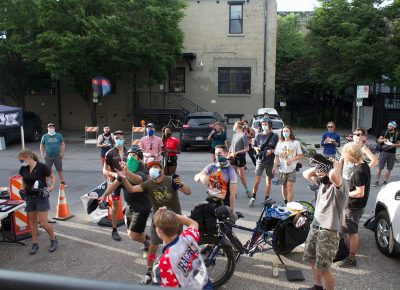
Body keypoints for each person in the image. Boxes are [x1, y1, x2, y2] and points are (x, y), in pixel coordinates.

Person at [112, 158, 192, 284]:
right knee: (153, 246)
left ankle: (175, 271)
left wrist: (180, 184)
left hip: (175, 220)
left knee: (173, 247)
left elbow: (188, 192)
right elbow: (132, 189)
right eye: (150, 168)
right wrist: (124, 177)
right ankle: (149, 271)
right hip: (158, 220)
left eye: (156, 167)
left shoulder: (171, 180)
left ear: (162, 170)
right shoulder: (148, 184)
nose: (153, 169)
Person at [301, 154, 348, 290]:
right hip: (316, 226)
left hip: (329, 231)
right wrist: (320, 163)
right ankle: (317, 287)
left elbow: (333, 175)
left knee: (324, 268)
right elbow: (305, 174)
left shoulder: (340, 185)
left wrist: (336, 165)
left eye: (322, 174)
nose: (320, 176)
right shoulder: (323, 184)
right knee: (312, 259)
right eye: (319, 174)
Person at [101, 146, 151, 258]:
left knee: (133, 235)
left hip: (142, 207)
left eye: (134, 155)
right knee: (131, 233)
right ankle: (145, 239)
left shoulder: (143, 169)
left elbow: (137, 180)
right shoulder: (124, 170)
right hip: (129, 207)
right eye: (129, 155)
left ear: (139, 159)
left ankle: (147, 243)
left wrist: (126, 173)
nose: (130, 157)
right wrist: (104, 195)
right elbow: (114, 185)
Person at [152, 208, 212, 289]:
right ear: (177, 226)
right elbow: (194, 223)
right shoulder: (189, 237)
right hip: (205, 285)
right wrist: (172, 215)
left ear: (158, 231)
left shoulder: (166, 260)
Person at [336, 143, 371, 268]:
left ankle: (351, 258)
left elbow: (359, 192)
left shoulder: (358, 171)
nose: (344, 157)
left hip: (353, 207)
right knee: (348, 229)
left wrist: (344, 193)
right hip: (356, 206)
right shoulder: (363, 164)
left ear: (351, 154)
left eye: (345, 155)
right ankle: (346, 251)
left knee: (352, 232)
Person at [18, 149, 57, 254]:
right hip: (29, 198)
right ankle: (35, 244)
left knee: (43, 222)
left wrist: (51, 187)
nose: (21, 162)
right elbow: (24, 180)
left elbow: (52, 176)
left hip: (41, 197)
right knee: (33, 222)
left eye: (21, 160)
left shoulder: (41, 166)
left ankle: (53, 239)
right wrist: (22, 189)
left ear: (28, 157)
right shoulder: (24, 168)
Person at [102, 130, 128, 241]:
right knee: (115, 206)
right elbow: (104, 170)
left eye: (121, 138)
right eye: (117, 138)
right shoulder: (110, 153)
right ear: (114, 139)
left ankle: (132, 227)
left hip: (127, 182)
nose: (119, 140)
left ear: (124, 139)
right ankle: (114, 229)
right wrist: (112, 174)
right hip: (115, 182)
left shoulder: (129, 152)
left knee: (131, 204)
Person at [194, 145, 237, 209]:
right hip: (210, 200)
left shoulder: (230, 171)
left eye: (219, 153)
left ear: (226, 154)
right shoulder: (212, 166)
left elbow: (232, 195)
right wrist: (201, 177)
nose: (217, 155)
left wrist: (232, 211)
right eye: (216, 153)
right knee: (196, 214)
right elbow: (196, 177)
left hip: (223, 202)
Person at [249, 118, 279, 206]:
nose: (264, 125)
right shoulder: (258, 136)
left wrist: (272, 151)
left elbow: (278, 148)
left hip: (270, 160)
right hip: (260, 160)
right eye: (262, 124)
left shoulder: (274, 136)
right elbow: (254, 146)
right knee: (257, 179)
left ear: (269, 125)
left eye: (265, 124)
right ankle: (253, 197)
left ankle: (266, 198)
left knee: (268, 180)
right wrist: (256, 149)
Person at [272, 126, 303, 204]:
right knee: (283, 187)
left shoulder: (295, 143)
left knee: (289, 188)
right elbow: (276, 156)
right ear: (282, 133)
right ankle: (286, 202)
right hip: (282, 169)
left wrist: (291, 160)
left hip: (291, 169)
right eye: (284, 131)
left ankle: (289, 205)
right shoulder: (280, 143)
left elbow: (300, 155)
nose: (285, 132)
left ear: (290, 132)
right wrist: (274, 166)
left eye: (287, 131)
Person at [374, 121, 400, 186]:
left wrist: (393, 145)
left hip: (392, 153)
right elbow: (379, 140)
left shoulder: (397, 134)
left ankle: (385, 181)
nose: (388, 127)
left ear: (394, 127)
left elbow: (399, 144)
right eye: (388, 126)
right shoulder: (384, 132)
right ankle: (376, 181)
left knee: (389, 168)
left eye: (390, 126)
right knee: (380, 167)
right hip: (383, 152)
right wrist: (384, 140)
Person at [229, 121, 250, 198]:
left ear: (237, 126)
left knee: (241, 176)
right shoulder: (234, 135)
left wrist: (236, 152)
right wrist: (229, 153)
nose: (233, 127)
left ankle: (247, 190)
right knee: (233, 175)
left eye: (234, 125)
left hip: (240, 157)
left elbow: (247, 149)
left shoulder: (243, 135)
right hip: (232, 157)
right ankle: (234, 192)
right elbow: (232, 145)